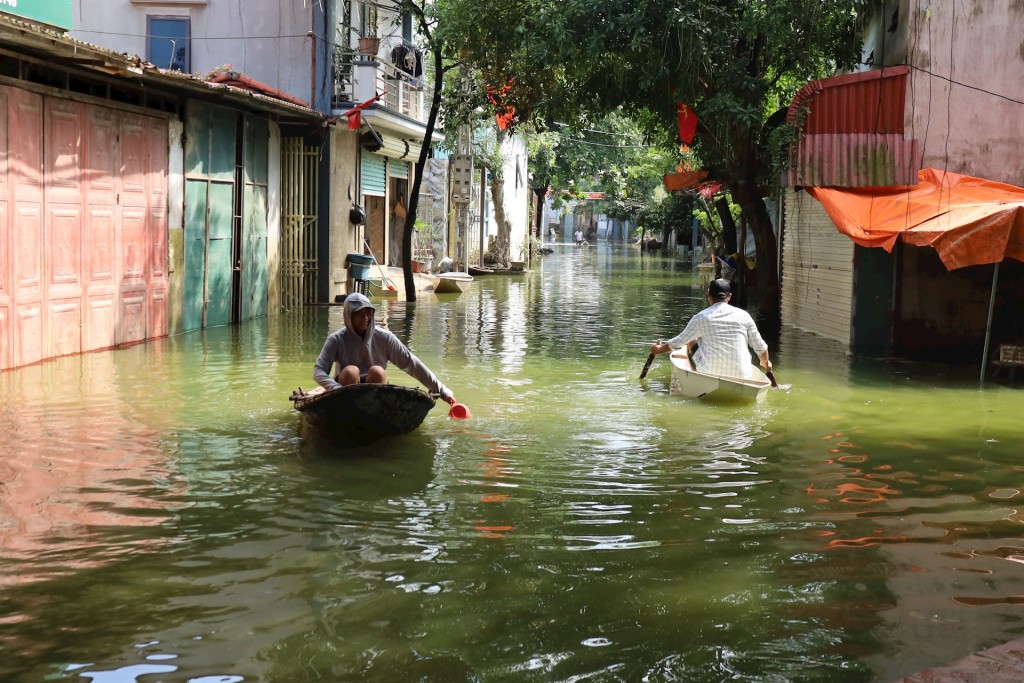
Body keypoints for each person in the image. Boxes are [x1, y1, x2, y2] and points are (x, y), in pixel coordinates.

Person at [313, 293, 458, 407]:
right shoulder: (336, 339)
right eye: (359, 314)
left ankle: (375, 411)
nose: (365, 318)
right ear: (348, 316)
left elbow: (411, 363)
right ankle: (348, 410)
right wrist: (334, 387)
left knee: (377, 371)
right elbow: (318, 371)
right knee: (351, 371)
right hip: (345, 390)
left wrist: (442, 390)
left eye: (368, 312)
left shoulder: (384, 337)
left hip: (377, 391)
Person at [649, 278, 771, 380]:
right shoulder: (744, 316)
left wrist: (658, 350)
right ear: (729, 297)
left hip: (710, 373)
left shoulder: (701, 317)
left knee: (692, 340)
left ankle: (697, 378)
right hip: (743, 376)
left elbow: (678, 342)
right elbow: (760, 348)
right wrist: (766, 363)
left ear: (709, 297)